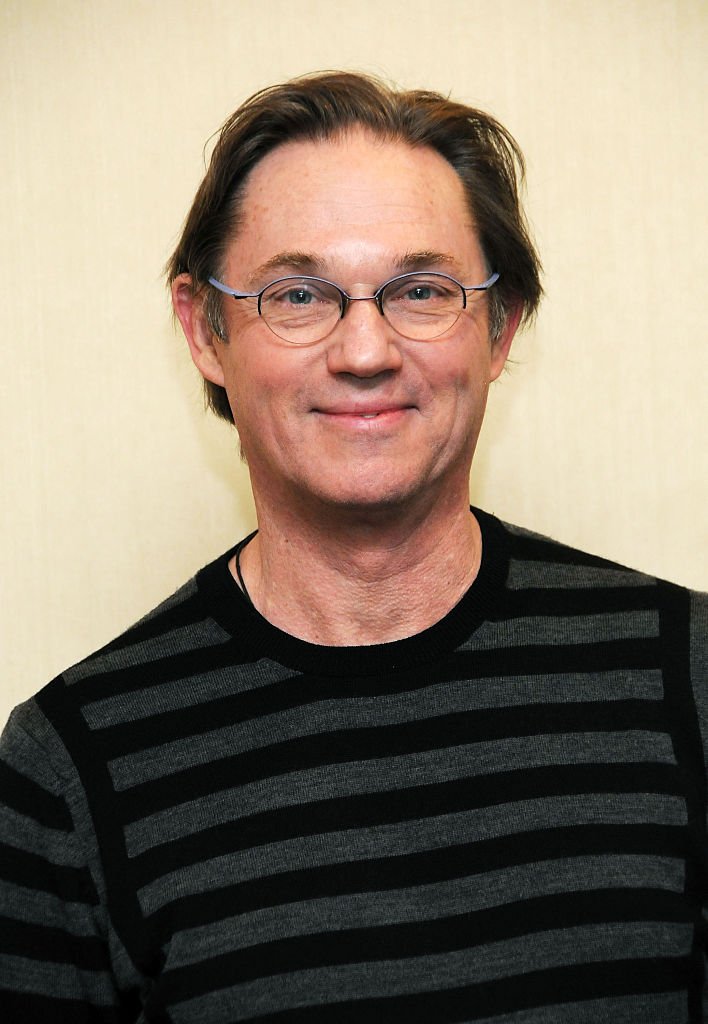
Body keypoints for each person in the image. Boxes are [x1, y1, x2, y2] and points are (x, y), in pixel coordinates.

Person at [0, 71, 705, 1023]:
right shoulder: (66, 771)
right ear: (205, 331)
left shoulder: (689, 677)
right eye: (299, 294)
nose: (365, 350)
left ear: (500, 326)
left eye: (422, 289)